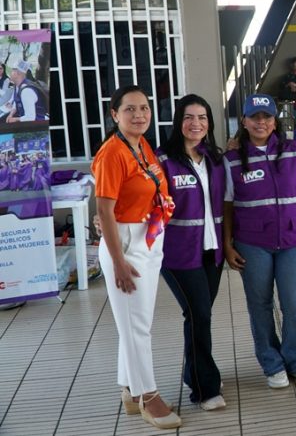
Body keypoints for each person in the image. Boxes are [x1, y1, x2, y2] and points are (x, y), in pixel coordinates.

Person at [91, 85, 181, 429]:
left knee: (134, 322)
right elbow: (104, 209)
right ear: (115, 114)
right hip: (125, 243)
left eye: (144, 108)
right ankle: (147, 396)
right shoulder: (112, 153)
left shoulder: (141, 144)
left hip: (148, 236)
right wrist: (118, 262)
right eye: (130, 109)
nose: (139, 114)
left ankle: (130, 389)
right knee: (137, 326)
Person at [223, 93, 296, 389]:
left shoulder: (294, 150)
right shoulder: (232, 159)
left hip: (293, 241)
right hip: (252, 243)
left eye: (266, 117)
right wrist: (228, 244)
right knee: (260, 305)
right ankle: (272, 363)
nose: (261, 122)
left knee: (294, 304)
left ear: (274, 121)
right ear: (244, 121)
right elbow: (227, 205)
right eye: (254, 117)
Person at [157, 94, 226, 411]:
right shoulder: (163, 160)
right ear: (178, 122)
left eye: (202, 117)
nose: (195, 123)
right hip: (178, 254)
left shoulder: (214, 158)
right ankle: (204, 388)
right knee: (198, 314)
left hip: (212, 251)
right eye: (188, 117)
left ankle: (195, 372)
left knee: (201, 315)